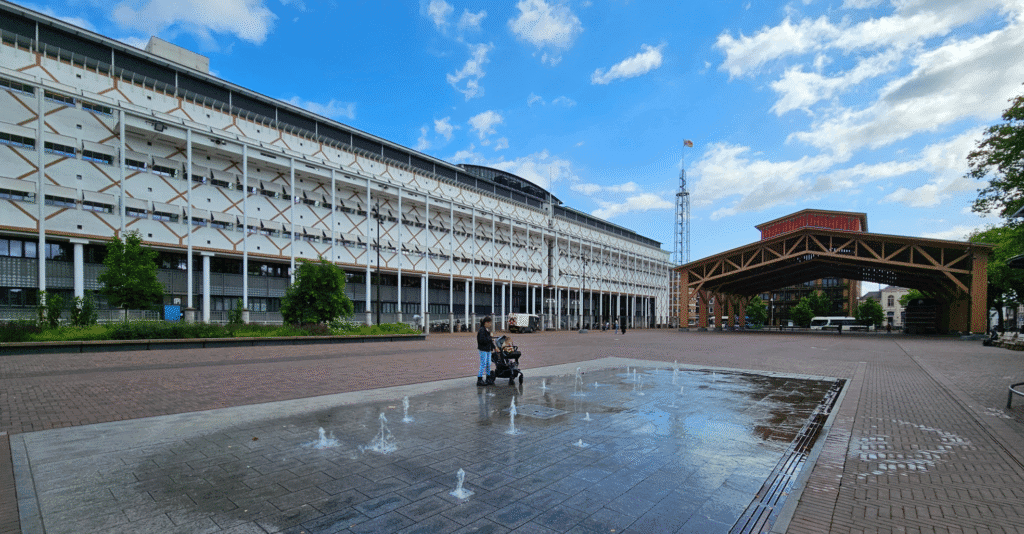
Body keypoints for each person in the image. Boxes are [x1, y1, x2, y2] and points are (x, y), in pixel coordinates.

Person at [476, 316, 496, 386]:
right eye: (490, 323)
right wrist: (490, 338)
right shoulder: (482, 330)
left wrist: (494, 347)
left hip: (488, 349)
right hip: (483, 349)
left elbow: (489, 340)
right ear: (486, 323)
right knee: (483, 363)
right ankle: (479, 379)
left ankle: (488, 377)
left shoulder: (486, 330)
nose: (490, 324)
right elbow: (482, 340)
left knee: (488, 363)